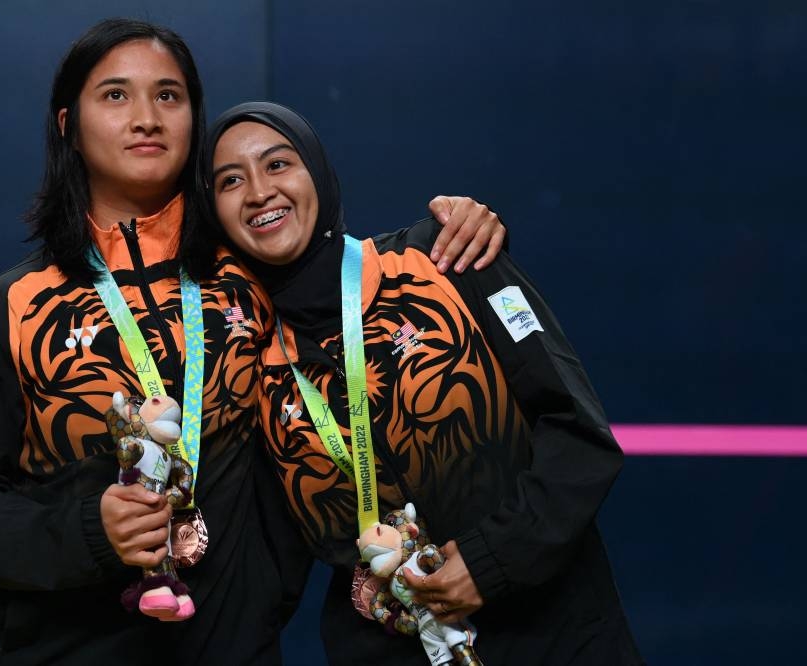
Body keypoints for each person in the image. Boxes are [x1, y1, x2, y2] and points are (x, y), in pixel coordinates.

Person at [0, 18, 506, 666]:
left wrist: (448, 223)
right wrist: (91, 531)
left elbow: (349, 266)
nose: (147, 117)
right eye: (116, 95)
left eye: (168, 96)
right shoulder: (9, 308)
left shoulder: (251, 277)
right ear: (68, 126)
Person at [200, 101, 645, 665]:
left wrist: (490, 561)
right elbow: (265, 569)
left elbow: (578, 435)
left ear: (317, 171)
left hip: (559, 636)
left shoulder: (446, 254)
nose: (260, 191)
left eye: (279, 164)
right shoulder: (249, 365)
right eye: (230, 181)